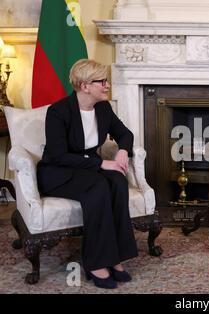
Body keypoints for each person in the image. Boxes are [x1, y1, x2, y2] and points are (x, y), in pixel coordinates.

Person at [37, 59, 138, 289]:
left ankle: (116, 257)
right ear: (84, 86)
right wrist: (102, 164)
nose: (107, 85)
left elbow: (125, 134)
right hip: (58, 172)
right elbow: (59, 155)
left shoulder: (103, 108)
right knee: (99, 186)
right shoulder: (58, 111)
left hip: (87, 168)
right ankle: (96, 262)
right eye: (101, 81)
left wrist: (122, 151)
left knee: (118, 181)